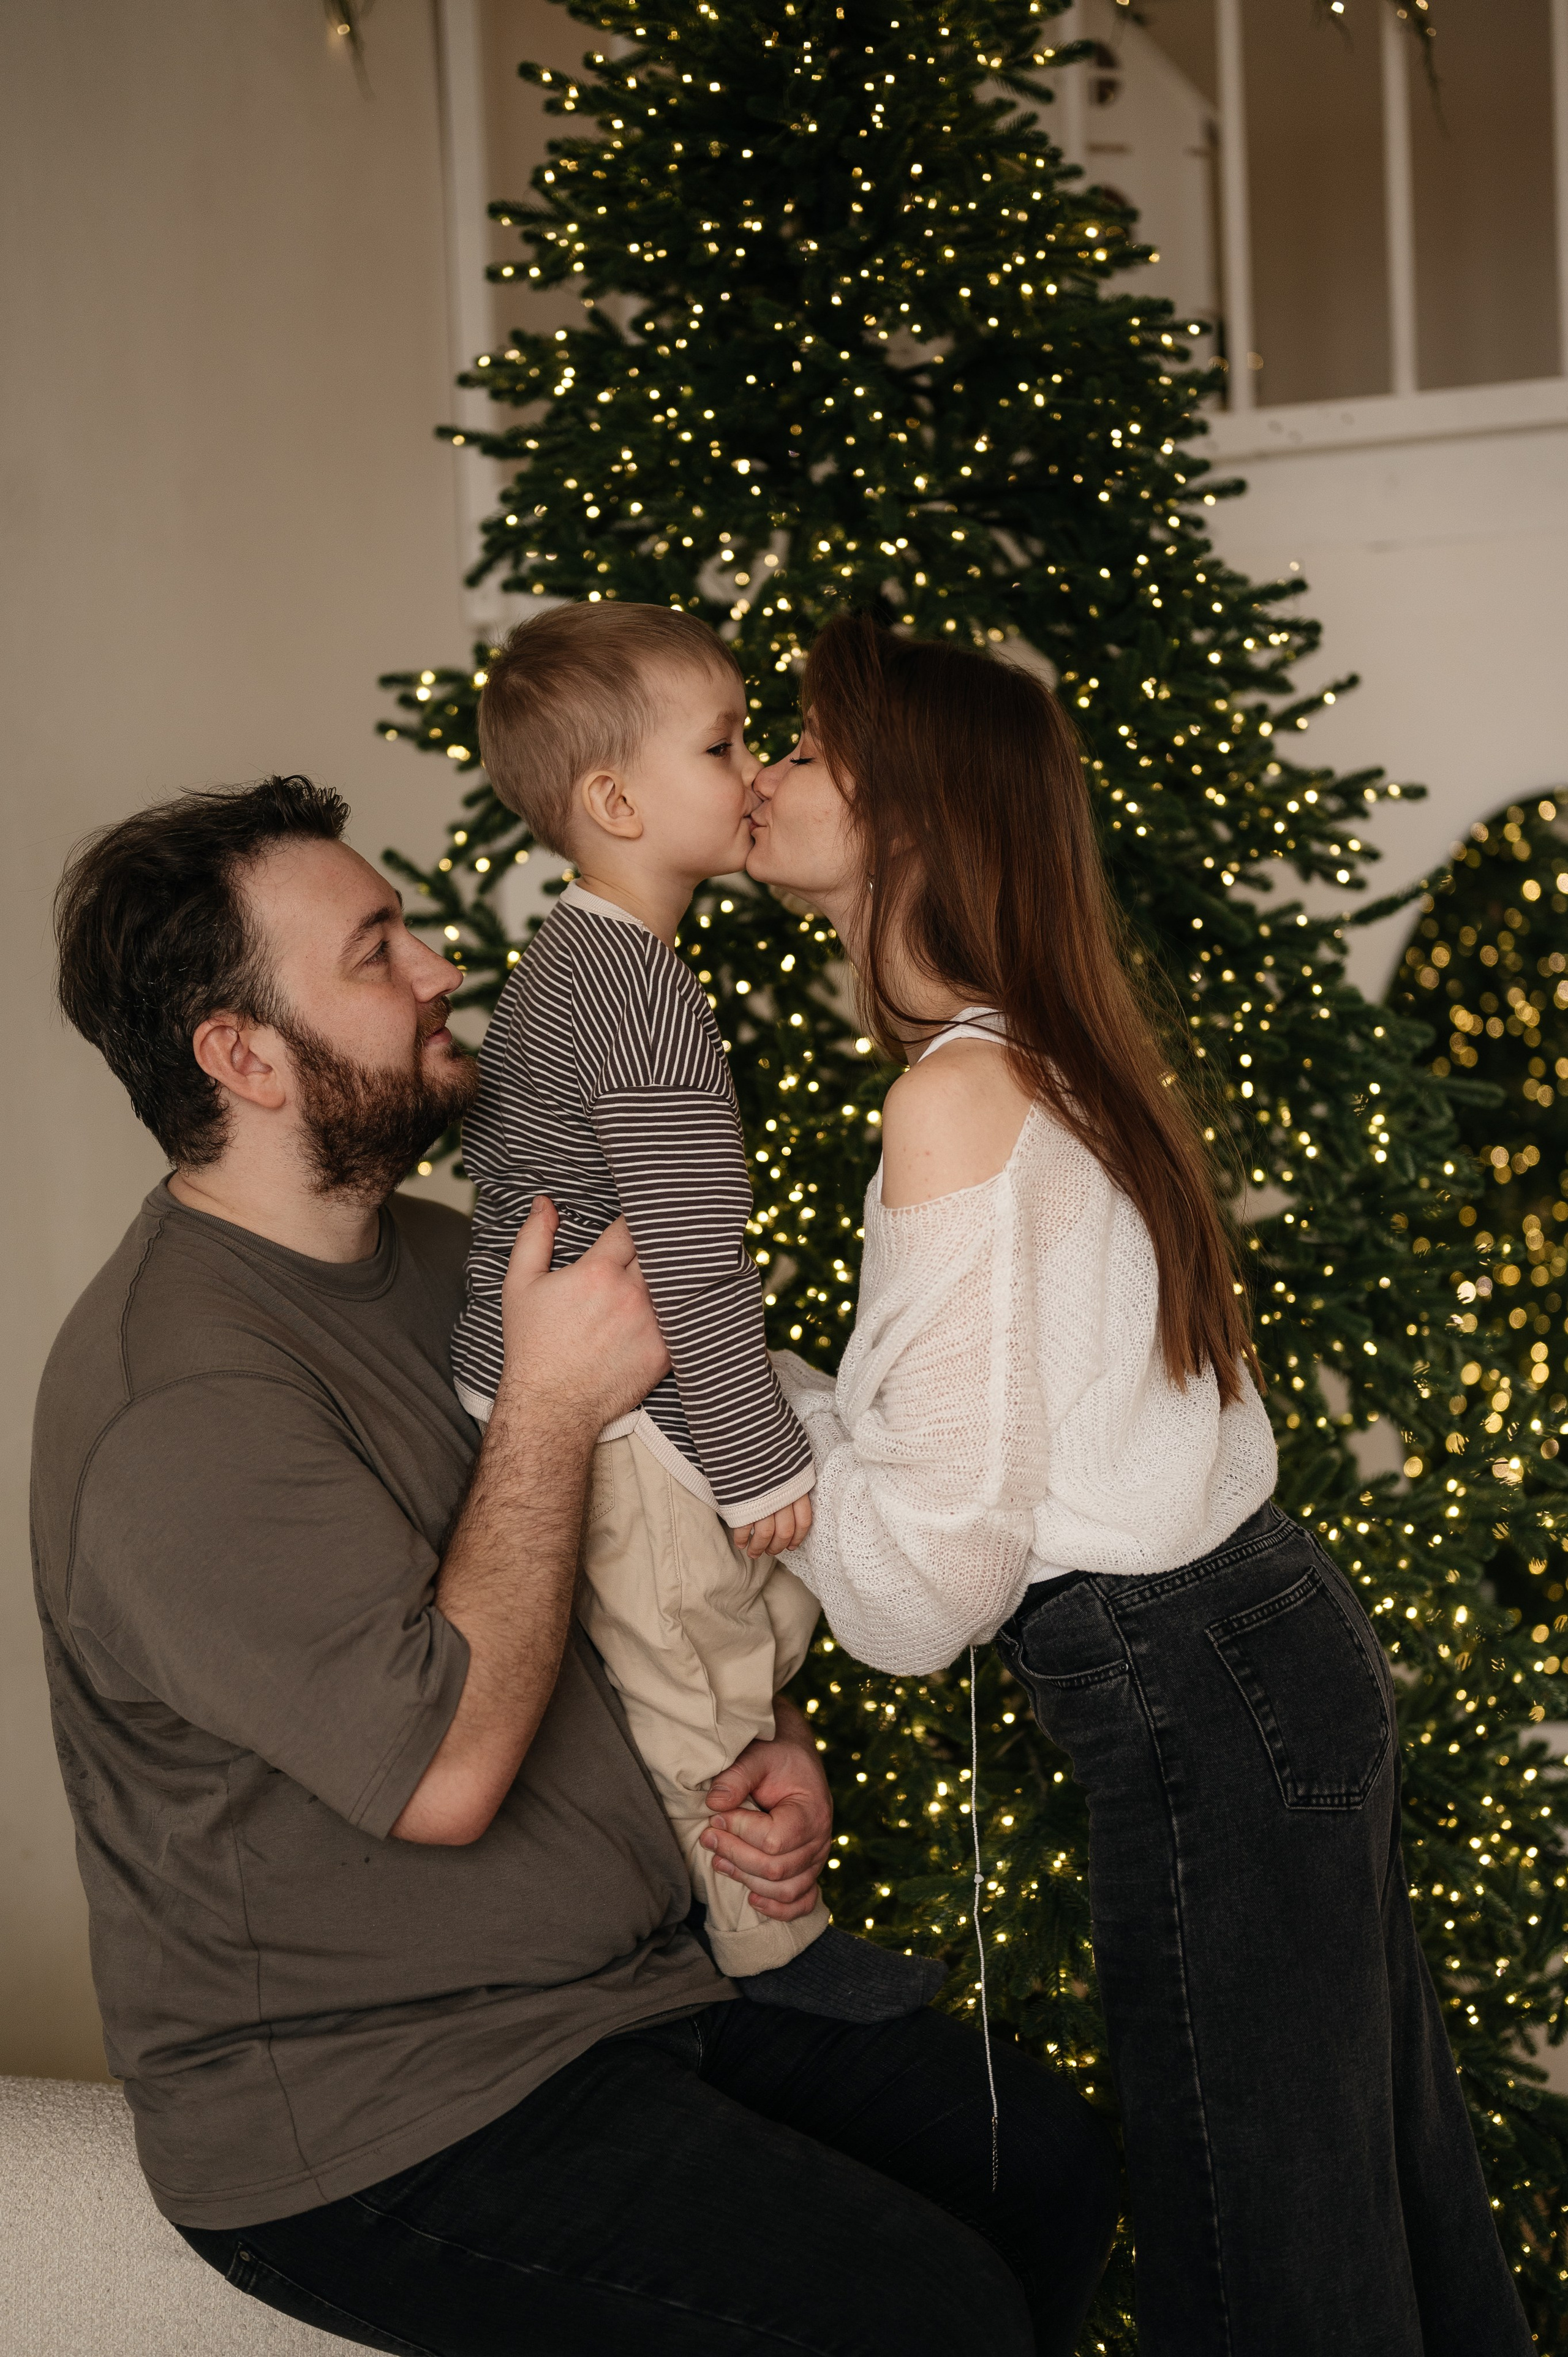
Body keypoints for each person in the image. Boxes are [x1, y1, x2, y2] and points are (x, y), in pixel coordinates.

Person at [32, 773, 1118, 2356]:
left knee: (1053, 2163)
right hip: (380, 2110)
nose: (440, 971)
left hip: (632, 1995)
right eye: (376, 952)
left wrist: (767, 1741)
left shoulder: (443, 1253)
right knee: (926, 2314)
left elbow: (640, 1539)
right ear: (243, 1056)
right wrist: (545, 1402)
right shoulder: (174, 1405)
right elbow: (448, 1772)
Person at [745, 614, 1534, 2357]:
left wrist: (717, 1396)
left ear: (899, 807)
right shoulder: (1034, 1054)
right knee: (1367, 2212)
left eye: (798, 746)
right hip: (1255, 1657)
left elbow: (926, 1587)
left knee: (1270, 2266)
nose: (760, 777)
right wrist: (783, 1393)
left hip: (1200, 1695)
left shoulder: (959, 1097)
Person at [458, 600, 940, 2017]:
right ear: (613, 798)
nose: (757, 773)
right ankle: (766, 1955)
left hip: (582, 1382)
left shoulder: (578, 960)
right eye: (726, 743)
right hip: (617, 1413)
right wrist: (749, 1456)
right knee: (697, 1672)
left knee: (747, 1618)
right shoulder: (637, 995)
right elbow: (687, 1252)